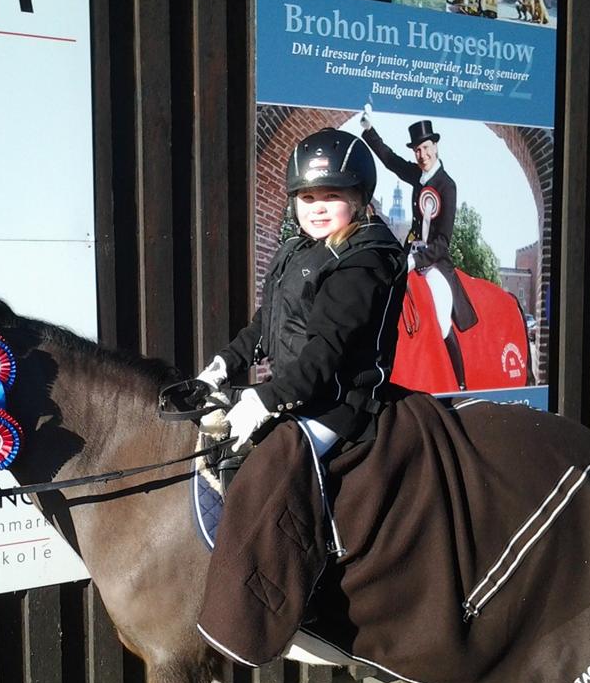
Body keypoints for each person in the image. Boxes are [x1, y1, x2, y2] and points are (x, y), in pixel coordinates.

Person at [196, 127, 406, 460]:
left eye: (331, 196)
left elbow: (326, 348)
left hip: (340, 403)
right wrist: (221, 366)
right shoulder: (298, 250)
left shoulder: (364, 260)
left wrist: (268, 399)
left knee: (268, 469)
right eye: (308, 198)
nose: (317, 208)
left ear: (357, 199)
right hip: (297, 391)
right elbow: (267, 322)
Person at [359, 113, 477, 390]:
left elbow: (442, 241)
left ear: (435, 147)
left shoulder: (447, 185)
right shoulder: (416, 175)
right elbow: (389, 160)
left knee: (440, 317)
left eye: (425, 148)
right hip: (409, 254)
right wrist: (370, 130)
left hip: (435, 263)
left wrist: (415, 260)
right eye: (416, 150)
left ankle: (460, 382)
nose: (421, 154)